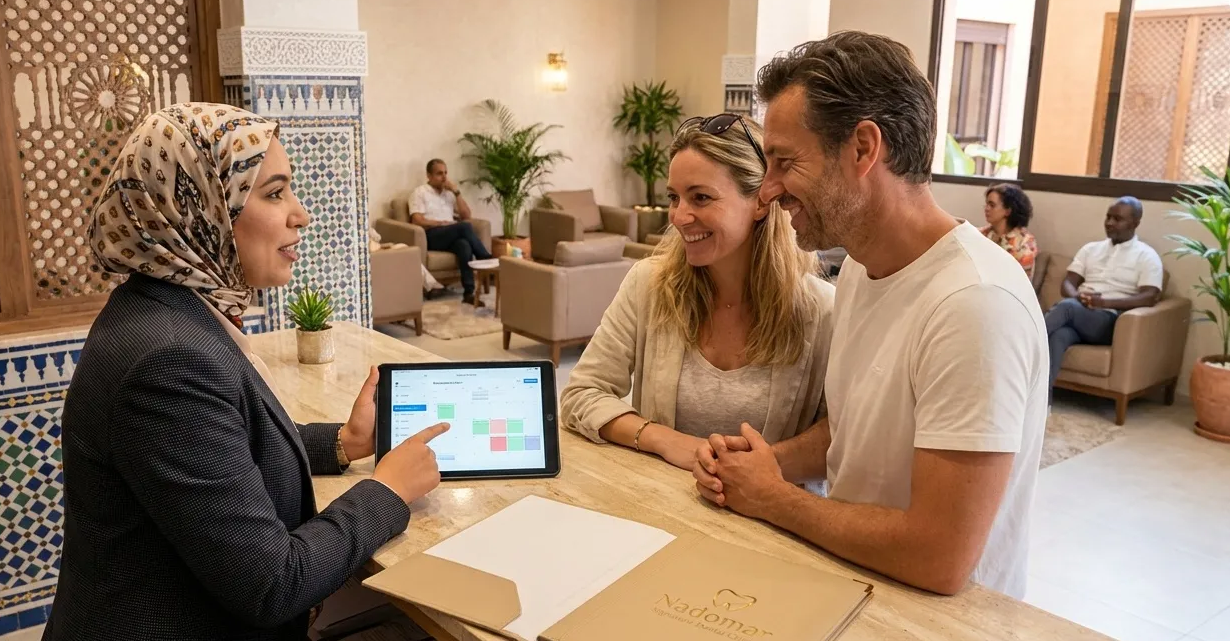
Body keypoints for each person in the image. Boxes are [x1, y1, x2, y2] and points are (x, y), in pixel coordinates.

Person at [22, 103, 447, 641]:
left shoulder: (164, 311)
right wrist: (386, 492)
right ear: (197, 205)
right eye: (274, 193)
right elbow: (270, 582)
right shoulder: (168, 356)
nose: (301, 213)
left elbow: (222, 453)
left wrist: (345, 444)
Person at [693, 32, 1048, 599]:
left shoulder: (975, 306)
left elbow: (941, 556)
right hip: (858, 587)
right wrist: (766, 463)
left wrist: (775, 499)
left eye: (785, 162)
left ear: (862, 149)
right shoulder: (859, 268)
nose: (769, 190)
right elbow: (857, 429)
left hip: (941, 640)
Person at [560, 114, 833, 477]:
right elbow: (581, 395)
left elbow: (841, 435)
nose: (679, 217)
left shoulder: (823, 311)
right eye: (674, 197)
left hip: (770, 525)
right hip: (662, 510)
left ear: (762, 202)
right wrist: (664, 439)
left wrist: (749, 469)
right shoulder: (650, 285)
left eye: (701, 197)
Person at [1046, 196, 1162, 392]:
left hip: (1108, 321)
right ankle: (1041, 402)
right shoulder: (1090, 249)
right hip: (1079, 310)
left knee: (1066, 307)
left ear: (1135, 223)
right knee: (1059, 336)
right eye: (1108, 217)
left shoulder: (1146, 256)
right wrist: (1077, 297)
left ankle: (1021, 342)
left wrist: (1104, 303)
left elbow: (1150, 297)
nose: (1109, 223)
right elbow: (1068, 283)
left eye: (1117, 219)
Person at [409, 158, 492, 300]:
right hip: (431, 235)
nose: (444, 177)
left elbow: (466, 215)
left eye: (445, 173)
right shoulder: (420, 192)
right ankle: (486, 259)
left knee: (464, 245)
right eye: (439, 173)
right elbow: (417, 220)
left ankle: (468, 293)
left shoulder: (449, 194)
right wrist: (441, 224)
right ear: (429, 175)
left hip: (450, 235)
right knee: (464, 227)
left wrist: (457, 192)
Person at [981, 182, 1038, 278]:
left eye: (992, 205)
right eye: (986, 204)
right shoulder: (981, 234)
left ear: (1008, 211)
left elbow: (1018, 281)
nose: (986, 208)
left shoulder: (1025, 244)